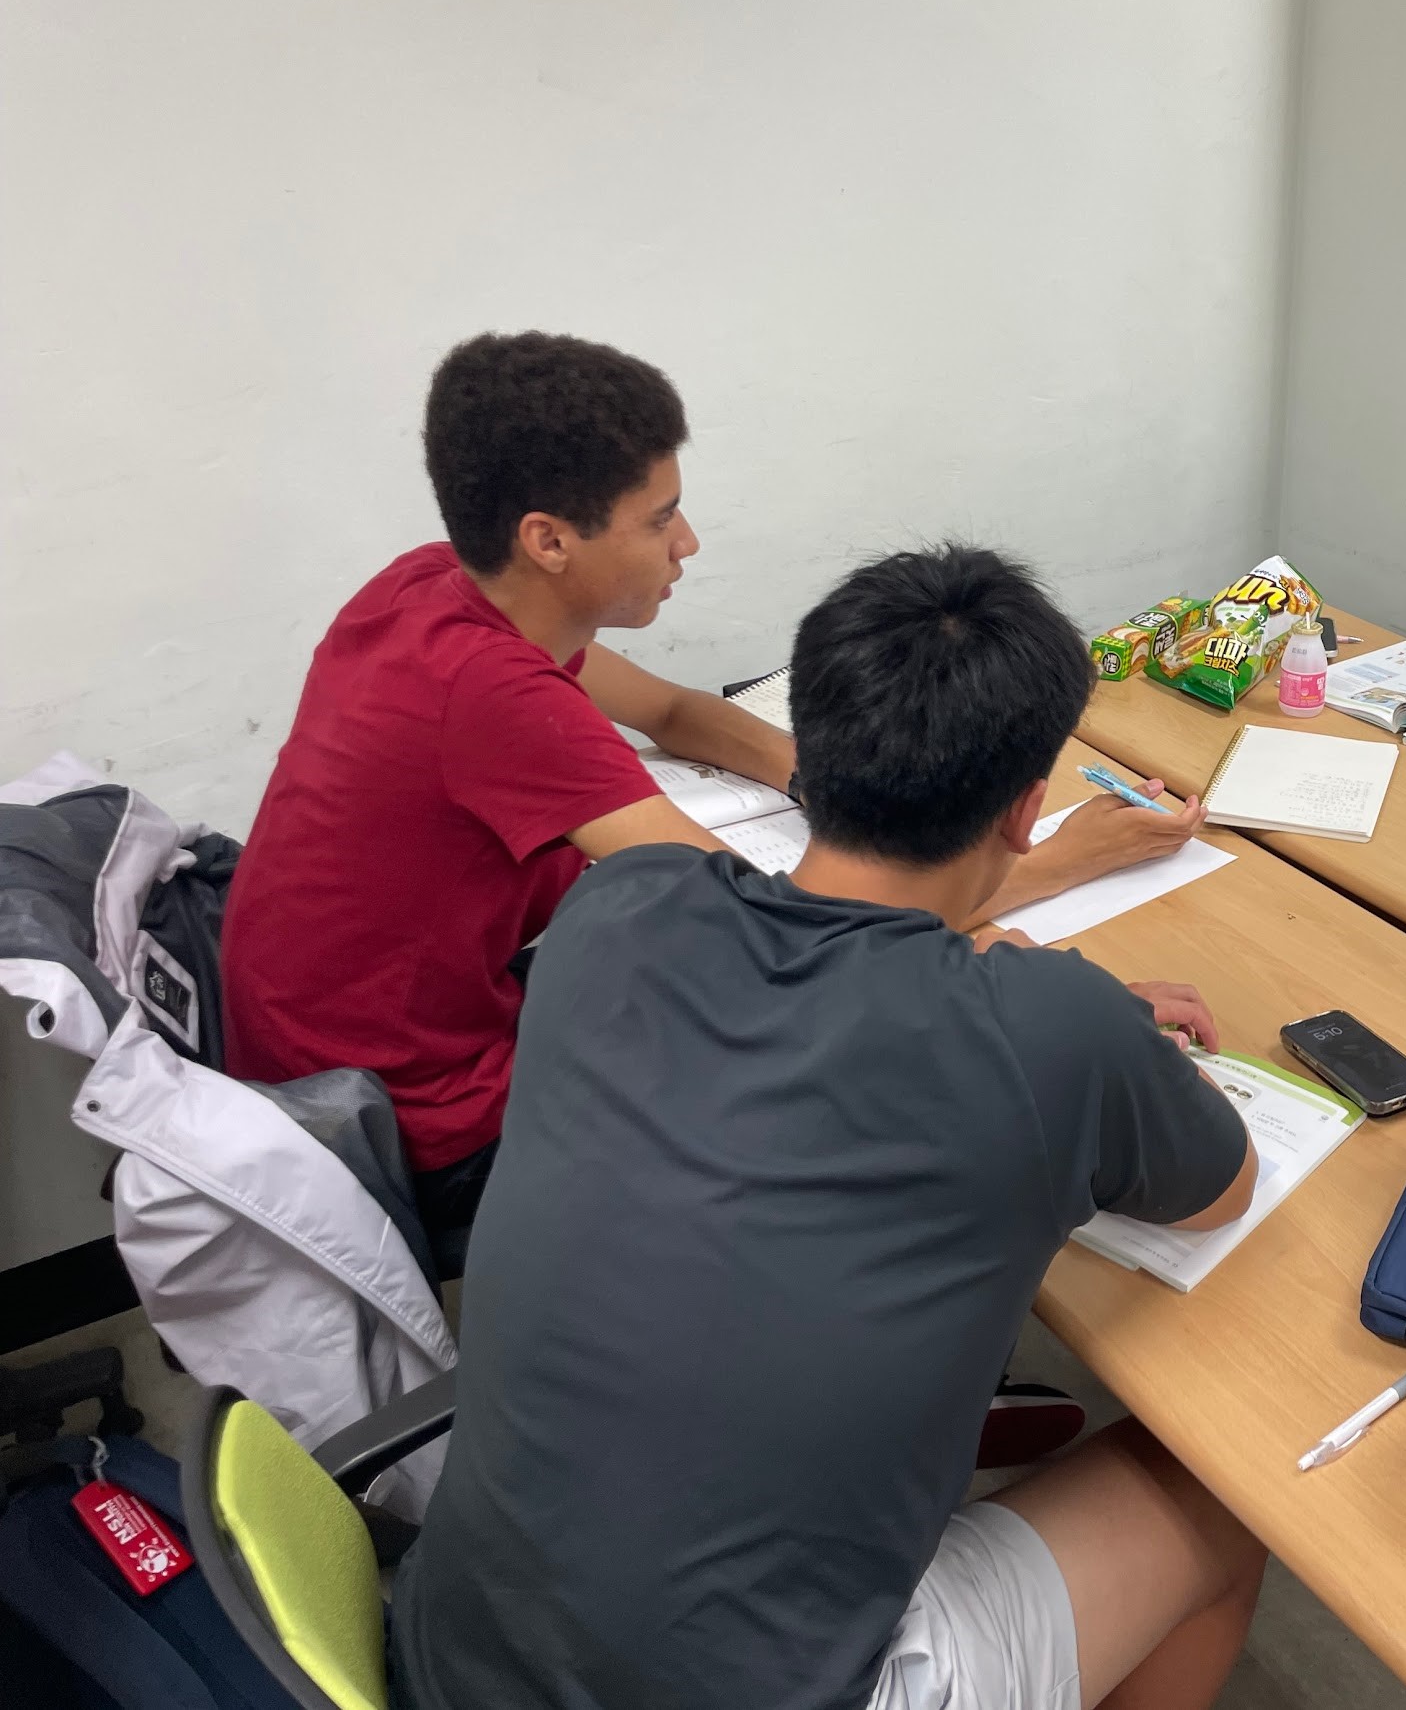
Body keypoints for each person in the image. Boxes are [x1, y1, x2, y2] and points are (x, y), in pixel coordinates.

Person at [392, 543, 1267, 1710]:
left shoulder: (618, 908)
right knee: (1221, 1505)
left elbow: (823, 981)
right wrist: (1086, 1032)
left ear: (810, 742)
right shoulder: (1048, 1028)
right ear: (1028, 811)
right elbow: (1222, 1189)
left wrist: (1023, 998)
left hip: (456, 1655)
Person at [220, 333, 1198, 1273]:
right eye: (659, 520)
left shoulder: (435, 588)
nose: (687, 543)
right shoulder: (490, 695)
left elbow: (675, 712)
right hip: (415, 1129)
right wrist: (1057, 862)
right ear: (548, 540)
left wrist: (827, 781)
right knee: (834, 1050)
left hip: (327, 1052)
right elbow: (794, 949)